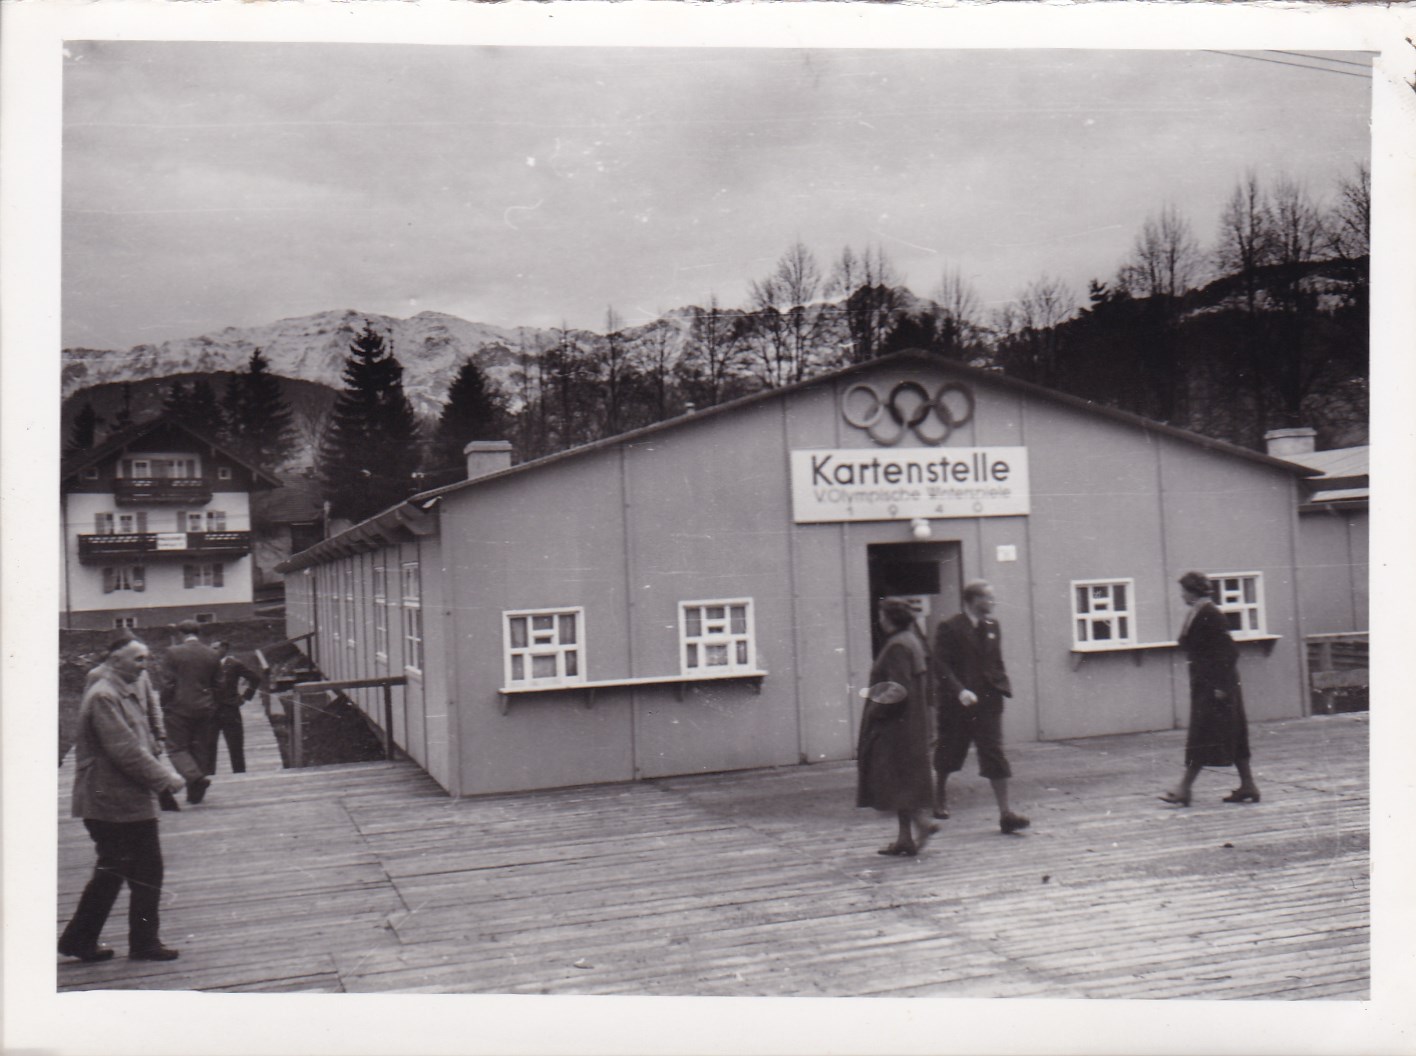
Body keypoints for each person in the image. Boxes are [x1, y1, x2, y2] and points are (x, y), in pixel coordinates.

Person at [59, 635, 186, 963]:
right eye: (137, 660)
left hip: (126, 800)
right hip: (109, 802)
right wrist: (165, 779)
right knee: (123, 870)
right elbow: (125, 751)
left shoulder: (124, 689)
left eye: (146, 658)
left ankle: (94, 939)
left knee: (131, 871)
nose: (145, 665)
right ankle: (113, 941)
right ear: (115, 661)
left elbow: (139, 738)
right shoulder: (104, 696)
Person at [933, 580, 1030, 834]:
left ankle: (1005, 813)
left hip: (988, 702)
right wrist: (959, 691)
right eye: (988, 598)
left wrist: (1000, 685)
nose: (992, 603)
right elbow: (940, 665)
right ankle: (939, 798)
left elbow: (995, 661)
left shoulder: (992, 626)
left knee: (994, 753)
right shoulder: (950, 627)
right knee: (950, 750)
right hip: (958, 704)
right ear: (973, 600)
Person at [1161, 571, 1260, 806]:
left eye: (1184, 591)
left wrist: (1222, 687)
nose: (1181, 595)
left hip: (1216, 687)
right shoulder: (1197, 613)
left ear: (1192, 592)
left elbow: (1229, 653)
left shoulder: (1211, 615)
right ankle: (1248, 785)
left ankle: (1184, 788)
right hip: (1207, 684)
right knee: (1233, 735)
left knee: (1202, 735)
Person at [856, 598, 938, 857]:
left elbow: (897, 690)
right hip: (910, 723)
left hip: (896, 727)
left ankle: (921, 824)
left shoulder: (897, 646)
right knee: (903, 779)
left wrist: (875, 711)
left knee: (893, 780)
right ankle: (905, 838)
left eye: (881, 614)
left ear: (889, 617)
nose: (880, 619)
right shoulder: (910, 640)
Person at [160, 619, 220, 803]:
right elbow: (218, 684)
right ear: (199, 633)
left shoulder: (173, 653)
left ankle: (195, 778)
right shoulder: (212, 654)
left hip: (178, 708)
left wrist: (164, 704)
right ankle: (195, 795)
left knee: (176, 748)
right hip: (204, 708)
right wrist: (211, 704)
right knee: (199, 747)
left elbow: (168, 683)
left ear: (180, 634)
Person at [208, 641, 260, 774]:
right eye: (210, 648)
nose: (212, 651)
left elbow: (255, 678)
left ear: (224, 649)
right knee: (209, 748)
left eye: (215, 648)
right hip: (211, 712)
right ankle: (210, 778)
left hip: (230, 710)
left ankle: (240, 776)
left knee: (235, 746)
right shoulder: (207, 665)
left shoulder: (234, 664)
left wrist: (245, 697)